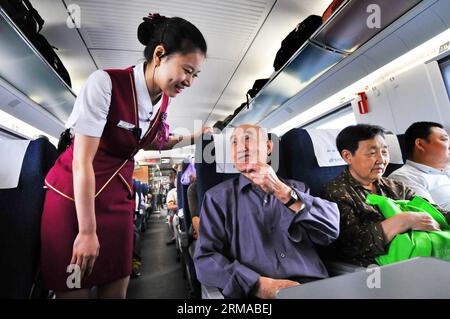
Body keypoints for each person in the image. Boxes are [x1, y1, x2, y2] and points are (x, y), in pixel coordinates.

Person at [40, 12, 209, 298]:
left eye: (195, 75)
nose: (190, 81)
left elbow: (156, 141)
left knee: (118, 283)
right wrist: (86, 231)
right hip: (74, 200)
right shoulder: (104, 84)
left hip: (118, 200)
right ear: (159, 55)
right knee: (74, 285)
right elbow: (82, 162)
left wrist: (196, 135)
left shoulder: (162, 99)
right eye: (187, 70)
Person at [194, 125, 340, 299]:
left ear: (269, 147)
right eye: (234, 142)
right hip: (254, 295)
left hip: (313, 289)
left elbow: (330, 231)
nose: (241, 147)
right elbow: (205, 259)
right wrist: (257, 285)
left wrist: (283, 192)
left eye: (248, 138)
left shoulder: (297, 188)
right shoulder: (216, 198)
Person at [324, 124, 449, 267]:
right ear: (348, 156)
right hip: (375, 268)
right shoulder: (337, 191)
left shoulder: (394, 186)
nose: (381, 160)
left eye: (384, 152)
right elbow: (351, 244)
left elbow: (434, 210)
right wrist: (403, 220)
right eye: (371, 153)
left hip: (418, 251)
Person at [389, 122, 450, 210]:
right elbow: (432, 216)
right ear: (420, 144)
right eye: (444, 139)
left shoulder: (446, 169)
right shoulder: (404, 178)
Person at [166, 175, 178, 245]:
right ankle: (175, 237)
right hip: (177, 211)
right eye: (176, 182)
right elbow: (170, 206)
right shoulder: (172, 192)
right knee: (173, 219)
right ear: (174, 183)